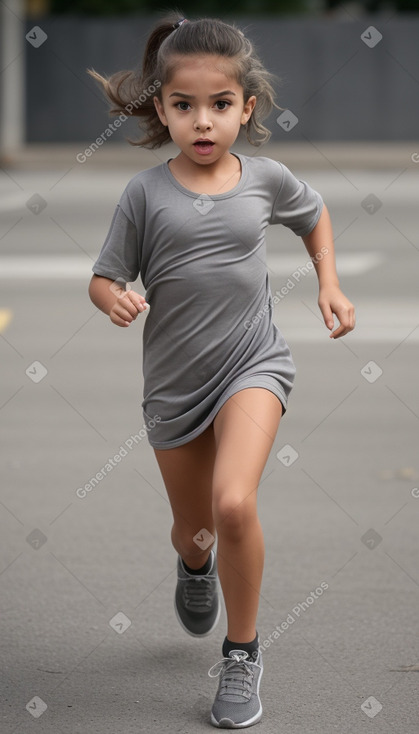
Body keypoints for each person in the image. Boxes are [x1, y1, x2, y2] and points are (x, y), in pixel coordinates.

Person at [88, 12, 355, 729]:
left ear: (246, 107)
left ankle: (241, 654)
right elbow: (103, 276)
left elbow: (314, 216)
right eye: (183, 106)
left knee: (234, 503)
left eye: (218, 105)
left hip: (252, 363)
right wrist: (113, 298)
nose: (202, 121)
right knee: (196, 529)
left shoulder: (265, 179)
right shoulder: (144, 195)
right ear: (160, 108)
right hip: (174, 386)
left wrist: (327, 284)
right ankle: (195, 565)